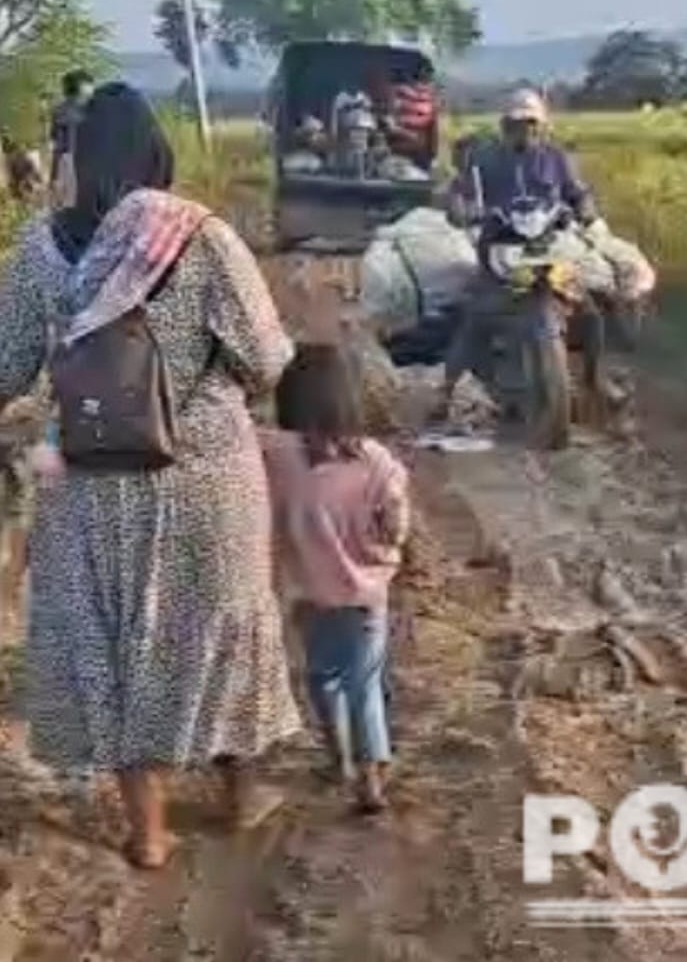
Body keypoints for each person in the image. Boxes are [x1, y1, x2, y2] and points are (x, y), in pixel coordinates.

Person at [0, 82, 301, 869]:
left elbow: (5, 368)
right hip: (205, 473)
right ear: (155, 153)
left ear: (73, 158)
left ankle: (149, 831)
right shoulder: (200, 236)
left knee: (115, 640)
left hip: (89, 476)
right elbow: (267, 362)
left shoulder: (37, 251)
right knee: (220, 626)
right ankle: (241, 796)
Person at [260, 344, 409, 814]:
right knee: (364, 682)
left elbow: (237, 435)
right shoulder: (378, 461)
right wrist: (386, 550)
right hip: (366, 597)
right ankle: (371, 777)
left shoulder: (279, 454)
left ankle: (338, 760)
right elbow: (397, 526)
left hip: (308, 595)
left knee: (322, 679)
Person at [434, 90, 615, 418]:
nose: (525, 131)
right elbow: (461, 192)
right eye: (517, 124)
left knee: (588, 310)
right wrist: (461, 210)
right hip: (501, 250)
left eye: (531, 124)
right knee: (477, 316)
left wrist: (586, 211)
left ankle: (595, 380)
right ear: (505, 125)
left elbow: (578, 193)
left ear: (542, 125)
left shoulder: (556, 158)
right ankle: (445, 392)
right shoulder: (484, 159)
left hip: (549, 250)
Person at [47, 69, 93, 205]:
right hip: (84, 163)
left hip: (66, 163)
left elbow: (57, 145)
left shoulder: (59, 110)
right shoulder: (91, 110)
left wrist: (53, 176)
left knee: (65, 208)